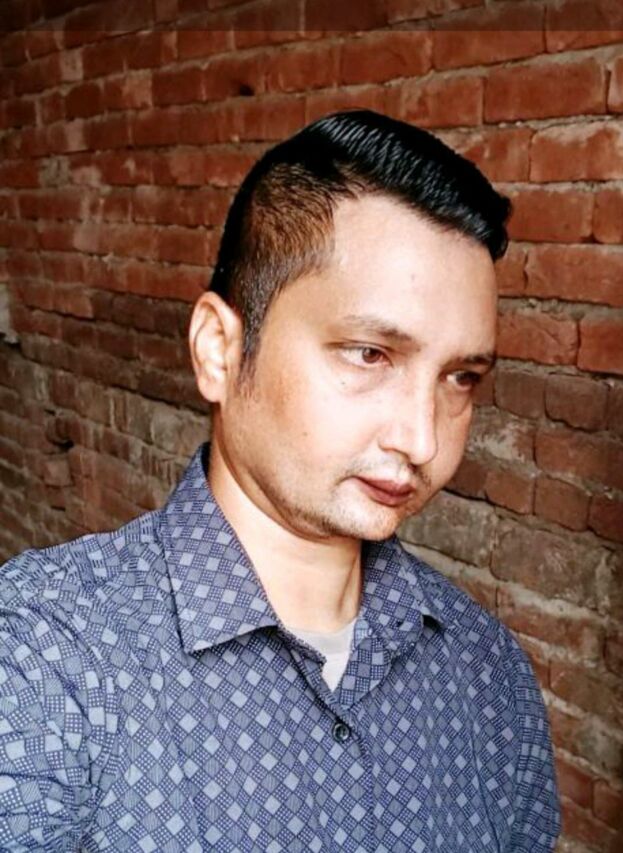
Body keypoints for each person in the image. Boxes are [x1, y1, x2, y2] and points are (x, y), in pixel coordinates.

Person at [0, 110, 560, 852]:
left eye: (460, 377)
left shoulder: (486, 673)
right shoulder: (45, 660)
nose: (422, 439)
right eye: (369, 354)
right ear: (219, 350)